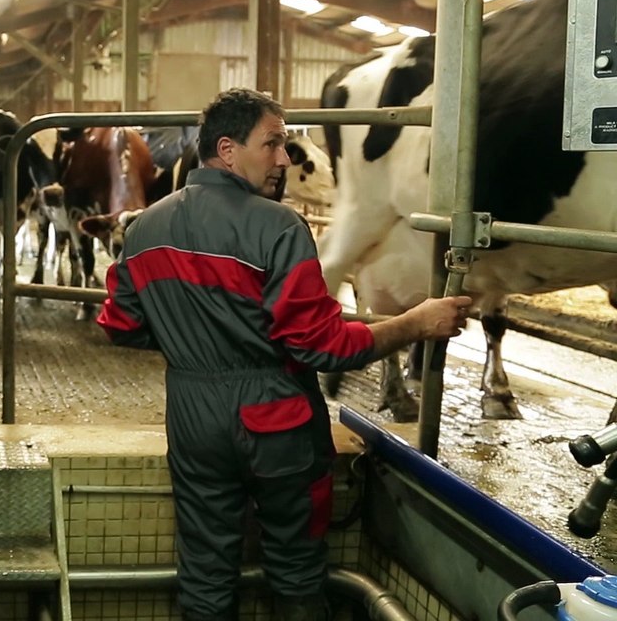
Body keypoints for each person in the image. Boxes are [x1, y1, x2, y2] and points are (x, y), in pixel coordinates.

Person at [96, 88, 469, 621]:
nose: (283, 159)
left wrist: (194, 340)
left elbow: (122, 325)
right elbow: (321, 346)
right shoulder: (279, 226)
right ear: (227, 149)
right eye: (272, 144)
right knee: (296, 572)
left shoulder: (146, 226)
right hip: (277, 419)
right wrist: (414, 323)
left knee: (204, 576)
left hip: (192, 416)